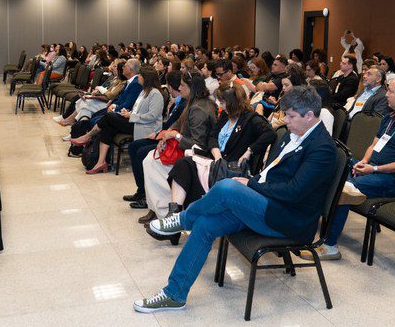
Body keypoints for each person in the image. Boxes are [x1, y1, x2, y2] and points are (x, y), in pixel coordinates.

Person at [134, 86, 339, 313]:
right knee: (205, 224)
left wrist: (250, 185)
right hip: (268, 203)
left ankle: (181, 219)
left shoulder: (323, 148)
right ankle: (175, 294)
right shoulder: (295, 134)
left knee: (228, 187)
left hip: (289, 219)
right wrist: (253, 184)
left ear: (309, 115)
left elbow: (295, 191)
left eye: (290, 116)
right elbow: (270, 172)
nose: (285, 121)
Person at [308, 76, 395, 260]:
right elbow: (374, 145)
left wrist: (375, 170)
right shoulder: (389, 117)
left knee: (344, 187)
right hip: (373, 168)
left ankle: (330, 245)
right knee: (333, 166)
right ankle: (308, 222)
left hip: (394, 180)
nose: (386, 94)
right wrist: (363, 161)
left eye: (390, 91)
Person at [141, 83, 275, 227]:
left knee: (185, 167)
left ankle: (176, 221)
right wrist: (216, 153)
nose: (220, 105)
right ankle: (175, 216)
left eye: (223, 102)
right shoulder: (225, 115)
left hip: (230, 169)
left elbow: (270, 133)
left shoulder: (251, 119)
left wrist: (250, 150)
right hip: (216, 163)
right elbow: (212, 137)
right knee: (183, 164)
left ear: (232, 102)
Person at [142, 72, 217, 219]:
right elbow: (180, 122)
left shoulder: (198, 109)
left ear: (192, 87)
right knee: (149, 159)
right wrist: (167, 133)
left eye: (183, 85)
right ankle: (157, 208)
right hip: (189, 152)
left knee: (150, 162)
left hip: (197, 158)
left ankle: (165, 212)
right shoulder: (197, 102)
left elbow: (198, 145)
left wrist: (175, 135)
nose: (179, 88)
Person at [76, 66, 165, 174]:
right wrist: (128, 113)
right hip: (136, 122)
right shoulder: (144, 91)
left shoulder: (155, 94)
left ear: (146, 78)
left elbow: (152, 116)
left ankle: (88, 136)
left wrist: (131, 116)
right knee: (108, 127)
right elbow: (138, 110)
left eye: (140, 75)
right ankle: (101, 162)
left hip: (145, 127)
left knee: (109, 117)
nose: (138, 77)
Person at [126, 71, 187, 210]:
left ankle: (146, 196)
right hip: (164, 134)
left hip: (172, 140)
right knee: (134, 146)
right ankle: (141, 190)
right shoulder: (177, 102)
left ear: (171, 87)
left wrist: (159, 133)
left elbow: (170, 124)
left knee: (141, 152)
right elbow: (170, 123)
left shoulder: (182, 104)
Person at [56, 59, 126, 128]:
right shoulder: (115, 78)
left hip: (107, 103)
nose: (112, 68)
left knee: (86, 103)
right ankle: (76, 128)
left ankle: (73, 124)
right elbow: (106, 90)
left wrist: (99, 90)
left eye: (115, 66)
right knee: (83, 102)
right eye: (113, 66)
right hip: (102, 98)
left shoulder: (122, 81)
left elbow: (110, 95)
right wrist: (97, 92)